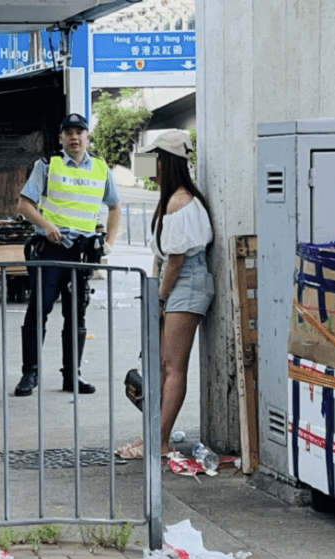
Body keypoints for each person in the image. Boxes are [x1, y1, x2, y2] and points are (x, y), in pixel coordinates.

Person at [117, 129, 214, 459]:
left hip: (186, 283)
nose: (148, 166)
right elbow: (161, 257)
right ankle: (153, 436)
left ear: (165, 162)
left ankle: (158, 441)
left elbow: (175, 259)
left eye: (152, 159)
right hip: (174, 284)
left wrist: (159, 298)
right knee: (161, 365)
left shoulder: (179, 201)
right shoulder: (171, 199)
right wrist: (155, 295)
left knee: (172, 367)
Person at [13, 113, 121, 397]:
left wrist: (108, 242)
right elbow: (24, 205)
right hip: (51, 249)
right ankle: (30, 374)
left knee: (77, 315)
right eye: (69, 133)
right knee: (39, 311)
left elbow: (115, 206)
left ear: (87, 137)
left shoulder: (100, 167)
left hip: (82, 254)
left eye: (79, 132)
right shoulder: (47, 165)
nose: (74, 137)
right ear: (61, 138)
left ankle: (72, 376)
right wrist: (46, 225)